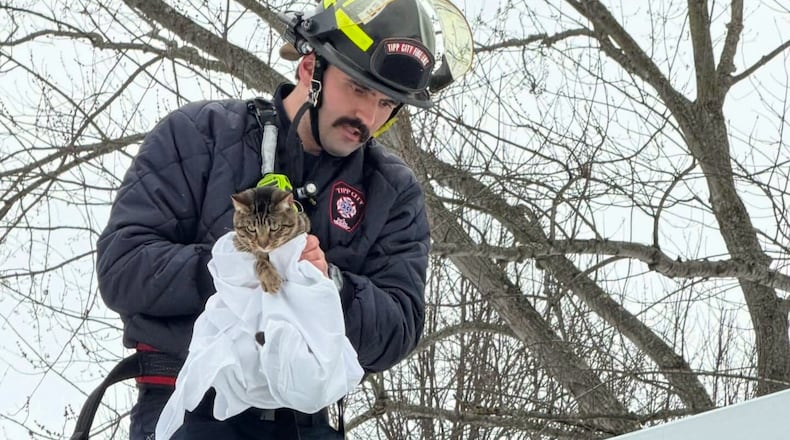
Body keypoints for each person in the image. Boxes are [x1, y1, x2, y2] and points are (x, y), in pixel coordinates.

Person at [95, 0, 473, 438]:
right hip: (186, 403)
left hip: (303, 420)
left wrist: (329, 285)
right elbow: (122, 269)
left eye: (387, 102)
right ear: (311, 68)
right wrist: (231, 268)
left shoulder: (390, 191)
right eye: (358, 88)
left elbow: (398, 328)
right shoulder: (200, 134)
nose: (368, 118)